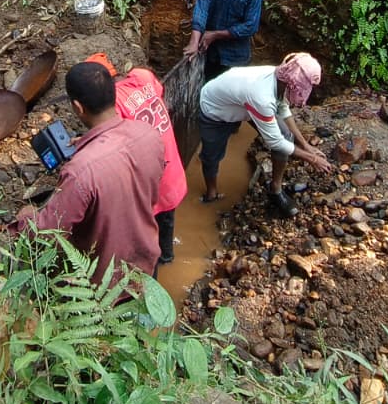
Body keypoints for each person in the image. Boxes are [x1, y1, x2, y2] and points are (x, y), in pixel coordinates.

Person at [20, 62, 166, 285]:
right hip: (146, 266)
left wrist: (25, 218)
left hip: (104, 286)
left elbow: (48, 233)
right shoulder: (148, 134)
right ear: (113, 92)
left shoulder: (80, 171)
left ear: (78, 107)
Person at [197, 52, 333, 215]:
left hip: (242, 103)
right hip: (215, 110)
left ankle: (275, 189)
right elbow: (275, 142)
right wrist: (313, 159)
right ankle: (211, 193)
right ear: (291, 84)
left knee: (285, 134)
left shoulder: (281, 78)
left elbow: (282, 106)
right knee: (211, 156)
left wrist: (306, 145)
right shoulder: (262, 97)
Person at [84, 53, 187, 265]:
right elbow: (158, 90)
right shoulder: (142, 77)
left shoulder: (114, 109)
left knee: (148, 235)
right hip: (172, 172)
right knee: (167, 220)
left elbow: (111, 144)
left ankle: (154, 268)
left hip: (149, 185)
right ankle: (167, 257)